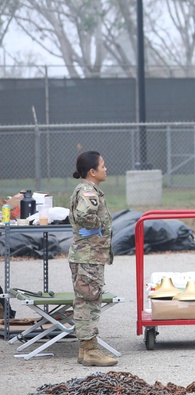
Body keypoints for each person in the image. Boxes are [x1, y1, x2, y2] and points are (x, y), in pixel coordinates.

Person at [69, 151, 117, 367]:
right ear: (92, 171)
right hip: (88, 256)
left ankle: (84, 349)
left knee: (85, 299)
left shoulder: (86, 189)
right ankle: (91, 351)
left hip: (86, 255)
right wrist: (97, 226)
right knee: (89, 302)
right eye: (103, 165)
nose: (106, 169)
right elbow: (84, 215)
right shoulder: (89, 192)